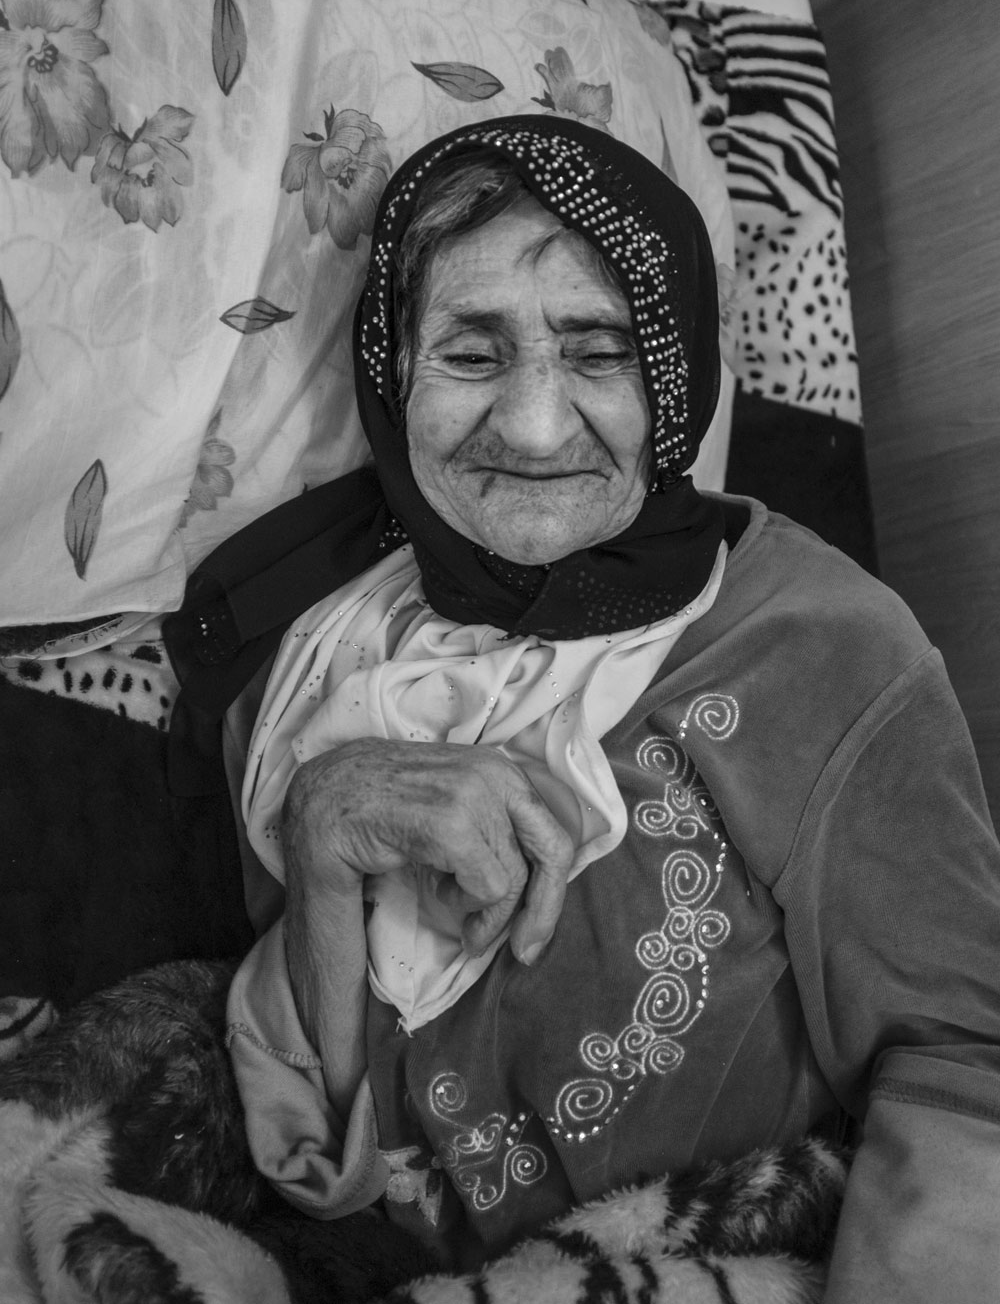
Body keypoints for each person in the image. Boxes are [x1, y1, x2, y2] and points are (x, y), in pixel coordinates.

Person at [170, 115, 1000, 1301]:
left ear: (670, 379)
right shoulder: (310, 674)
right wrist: (319, 835)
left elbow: (968, 1064)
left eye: (599, 351)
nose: (536, 425)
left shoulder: (819, 648)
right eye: (469, 354)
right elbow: (320, 1158)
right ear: (391, 377)